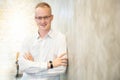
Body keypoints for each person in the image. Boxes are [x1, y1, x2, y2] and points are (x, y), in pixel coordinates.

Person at [18, 2, 68, 80]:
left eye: (46, 17)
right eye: (39, 18)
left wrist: (33, 65)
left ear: (52, 17)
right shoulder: (28, 39)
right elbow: (22, 66)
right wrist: (50, 64)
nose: (42, 21)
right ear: (35, 19)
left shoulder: (60, 38)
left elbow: (61, 69)